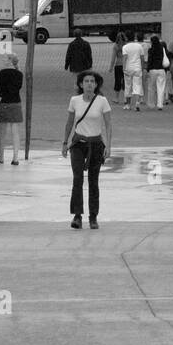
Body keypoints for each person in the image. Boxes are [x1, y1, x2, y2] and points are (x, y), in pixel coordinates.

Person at [62, 70, 113, 230]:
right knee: (77, 178)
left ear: (96, 85)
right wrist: (65, 142)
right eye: (86, 81)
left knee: (93, 180)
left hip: (96, 144)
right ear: (81, 84)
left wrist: (108, 146)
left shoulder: (102, 101)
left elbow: (108, 124)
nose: (89, 84)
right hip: (78, 143)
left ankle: (93, 217)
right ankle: (77, 215)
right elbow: (69, 123)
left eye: (92, 81)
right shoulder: (74, 100)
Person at [0, 53, 24, 165]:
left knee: (2, 132)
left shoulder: (3, 73)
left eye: (5, 58)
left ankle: (2, 157)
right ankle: (15, 158)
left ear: (9, 60)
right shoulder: (19, 74)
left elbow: (1, 89)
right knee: (15, 132)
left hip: (4, 103)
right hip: (16, 103)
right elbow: (17, 88)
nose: (3, 60)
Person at [121, 31, 145, 111]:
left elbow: (124, 58)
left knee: (128, 86)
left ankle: (128, 104)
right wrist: (142, 67)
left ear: (126, 38)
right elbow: (142, 58)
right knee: (137, 85)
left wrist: (124, 68)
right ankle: (137, 103)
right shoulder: (139, 46)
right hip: (137, 68)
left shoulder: (125, 47)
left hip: (128, 68)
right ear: (134, 37)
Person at [145, 32, 168, 110]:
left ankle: (151, 104)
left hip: (153, 70)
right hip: (161, 70)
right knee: (161, 88)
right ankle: (160, 104)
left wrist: (147, 70)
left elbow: (150, 61)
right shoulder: (162, 49)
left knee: (151, 87)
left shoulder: (150, 50)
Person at [109, 32, 125, 100]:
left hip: (118, 65)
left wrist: (111, 67)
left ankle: (116, 98)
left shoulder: (116, 46)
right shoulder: (126, 45)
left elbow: (113, 57)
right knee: (125, 82)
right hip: (125, 65)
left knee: (117, 81)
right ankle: (125, 98)